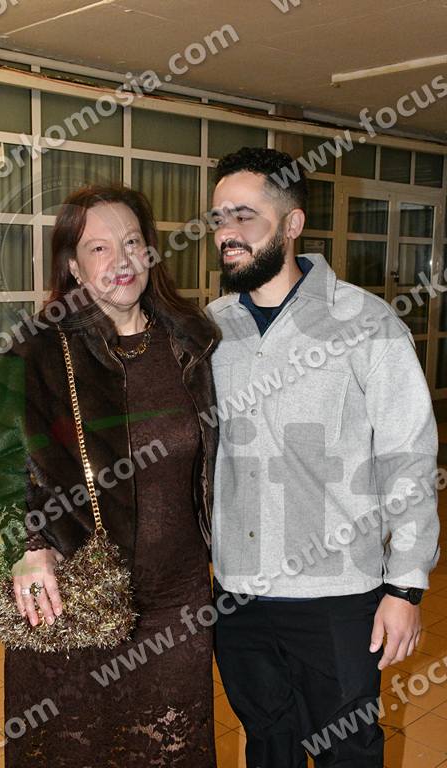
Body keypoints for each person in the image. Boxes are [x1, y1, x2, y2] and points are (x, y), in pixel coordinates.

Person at [0, 184, 220, 768]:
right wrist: (29, 543)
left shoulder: (190, 344)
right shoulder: (38, 351)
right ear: (73, 266)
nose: (121, 260)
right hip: (77, 594)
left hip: (176, 601)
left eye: (132, 242)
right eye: (99, 248)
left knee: (169, 751)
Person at [205, 147, 440, 768]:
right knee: (267, 744)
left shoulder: (366, 322)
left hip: (337, 596)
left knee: (347, 752)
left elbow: (408, 456)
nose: (226, 233)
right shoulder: (209, 329)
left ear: (292, 223)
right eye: (219, 219)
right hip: (239, 594)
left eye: (244, 216)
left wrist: (405, 586)